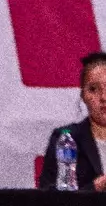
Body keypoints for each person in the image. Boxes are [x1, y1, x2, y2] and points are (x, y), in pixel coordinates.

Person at [38, 51, 106, 191]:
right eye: (93, 89)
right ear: (83, 95)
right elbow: (46, 198)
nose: (103, 97)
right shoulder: (66, 139)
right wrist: (94, 188)